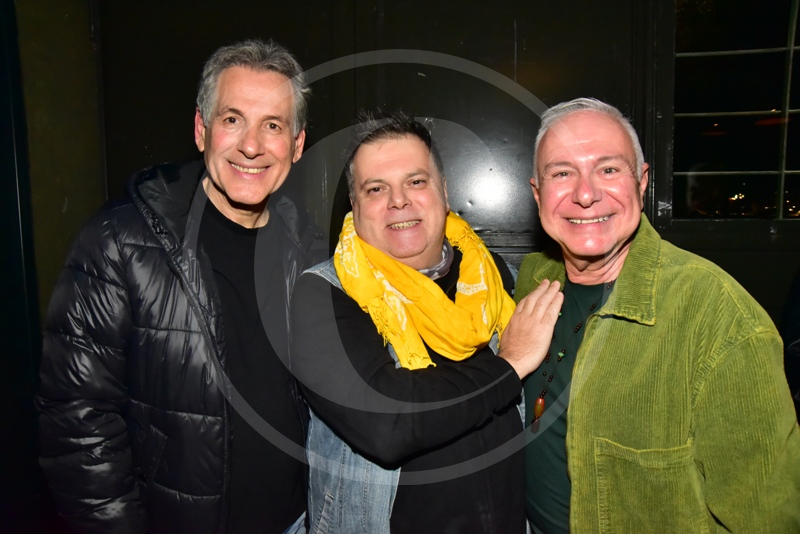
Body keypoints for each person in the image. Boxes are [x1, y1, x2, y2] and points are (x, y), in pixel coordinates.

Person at [36, 39, 325, 533]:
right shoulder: (120, 241)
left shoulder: (312, 253)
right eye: (232, 119)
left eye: (273, 125)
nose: (251, 145)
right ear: (201, 129)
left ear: (296, 146)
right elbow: (76, 422)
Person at [516, 97, 800, 532]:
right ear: (538, 194)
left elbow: (766, 519)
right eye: (562, 173)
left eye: (608, 169)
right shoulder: (533, 278)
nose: (586, 194)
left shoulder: (720, 318)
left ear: (642, 182)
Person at [290, 112, 563, 533]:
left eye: (416, 182)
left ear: (444, 192)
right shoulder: (325, 295)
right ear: (354, 206)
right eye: (375, 189)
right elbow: (388, 424)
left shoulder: (496, 280)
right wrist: (509, 365)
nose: (398, 201)